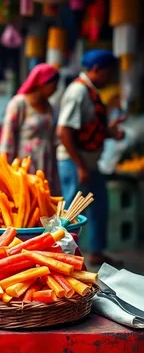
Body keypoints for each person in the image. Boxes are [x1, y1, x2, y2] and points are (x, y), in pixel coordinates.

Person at [57, 50, 124, 266]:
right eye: (108, 72)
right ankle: (61, 257)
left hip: (90, 162)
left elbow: (88, 129)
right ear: (96, 70)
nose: (110, 77)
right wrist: (80, 166)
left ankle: (96, 252)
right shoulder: (78, 91)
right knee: (72, 210)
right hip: (75, 161)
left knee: (99, 205)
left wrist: (111, 131)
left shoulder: (91, 91)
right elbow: (64, 131)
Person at [0, 63, 60, 193]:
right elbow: (7, 139)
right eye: (53, 85)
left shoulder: (48, 105)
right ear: (42, 83)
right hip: (25, 165)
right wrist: (5, 170)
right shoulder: (19, 103)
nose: (55, 90)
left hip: (47, 164)